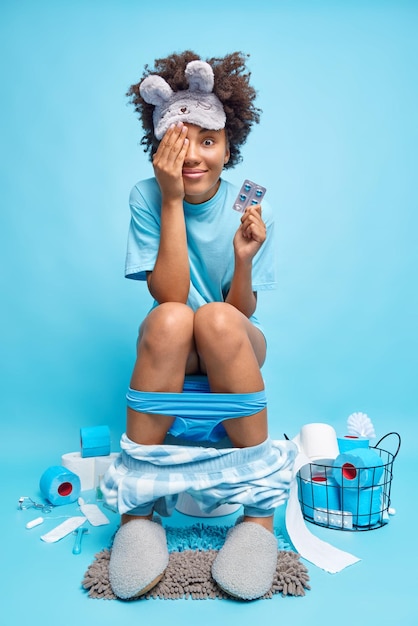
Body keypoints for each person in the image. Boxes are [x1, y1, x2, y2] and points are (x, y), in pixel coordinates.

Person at [101, 50, 297, 601]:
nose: (194, 158)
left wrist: (242, 257)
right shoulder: (147, 195)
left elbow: (243, 311)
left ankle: (257, 516)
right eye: (179, 146)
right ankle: (138, 514)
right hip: (174, 341)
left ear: (228, 146)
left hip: (232, 336)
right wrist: (169, 201)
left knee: (213, 316)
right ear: (159, 151)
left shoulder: (249, 209)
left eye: (207, 142)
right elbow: (165, 293)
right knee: (171, 317)